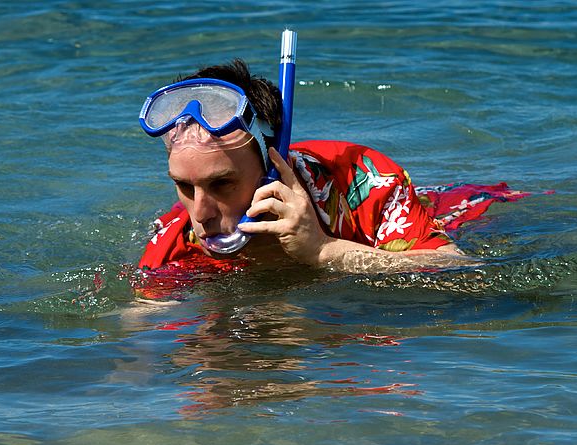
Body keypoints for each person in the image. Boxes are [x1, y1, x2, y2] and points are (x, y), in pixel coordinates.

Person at [135, 60, 528, 297]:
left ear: (273, 164)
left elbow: (469, 276)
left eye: (222, 184)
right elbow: (140, 323)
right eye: (184, 186)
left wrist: (322, 251)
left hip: (457, 211)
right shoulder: (179, 232)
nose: (199, 213)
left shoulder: (365, 180)